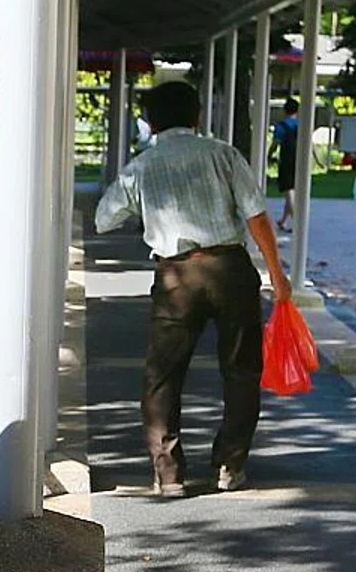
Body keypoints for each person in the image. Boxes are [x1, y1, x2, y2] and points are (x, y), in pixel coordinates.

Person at [95, 80, 293, 498]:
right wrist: (276, 273)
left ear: (149, 121)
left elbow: (103, 220)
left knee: (163, 374)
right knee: (240, 370)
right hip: (230, 268)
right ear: (197, 115)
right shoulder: (222, 154)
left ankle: (169, 474)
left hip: (175, 276)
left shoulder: (141, 166)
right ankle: (229, 465)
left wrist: (148, 212)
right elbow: (256, 216)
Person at [273, 97, 301, 232]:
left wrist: (269, 154)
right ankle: (283, 221)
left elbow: (276, 142)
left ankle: (296, 221)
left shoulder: (281, 126)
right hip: (300, 160)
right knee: (292, 191)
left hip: (286, 159)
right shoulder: (302, 125)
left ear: (285, 110)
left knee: (288, 190)